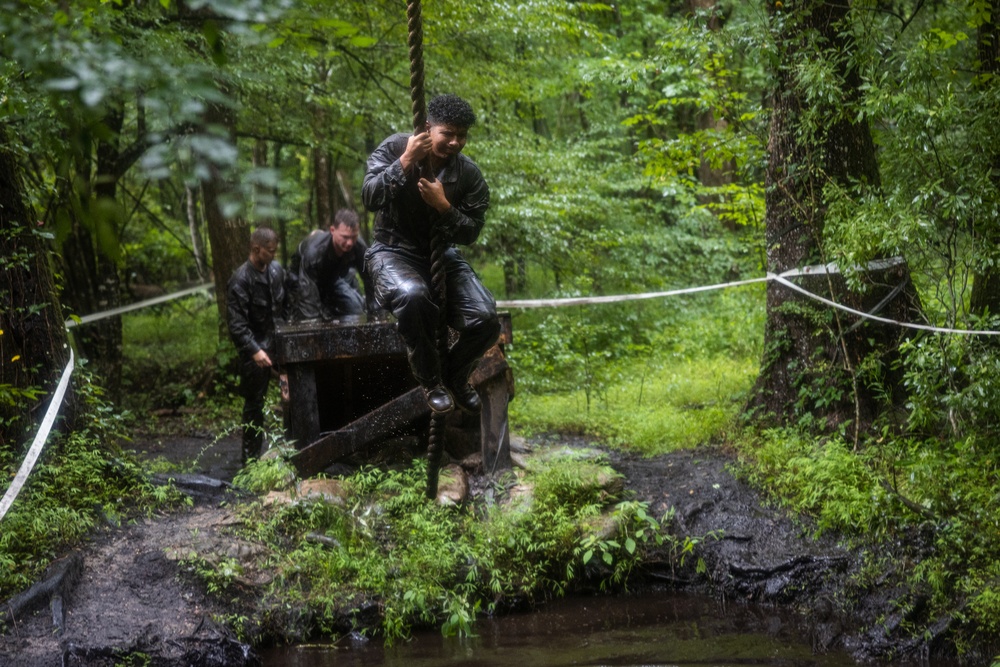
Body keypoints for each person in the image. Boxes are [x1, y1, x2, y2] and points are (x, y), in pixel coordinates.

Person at [362, 93, 500, 415]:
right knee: (413, 295)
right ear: (428, 127)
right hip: (391, 251)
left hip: (440, 254)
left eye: (461, 136)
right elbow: (369, 196)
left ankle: (455, 375)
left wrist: (444, 207)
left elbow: (471, 231)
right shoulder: (396, 147)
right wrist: (405, 162)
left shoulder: (468, 175)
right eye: (447, 134)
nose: (455, 142)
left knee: (486, 319)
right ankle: (431, 380)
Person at [226, 226, 288, 464]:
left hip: (278, 341)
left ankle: (294, 448)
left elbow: (284, 307)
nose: (273, 255)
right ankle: (249, 462)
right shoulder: (240, 279)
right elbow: (237, 325)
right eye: (270, 251)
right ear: (256, 249)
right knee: (254, 405)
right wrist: (254, 350)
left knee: (293, 393)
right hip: (254, 349)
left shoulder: (276, 271)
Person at [288, 208, 375, 321]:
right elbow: (308, 300)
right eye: (345, 237)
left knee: (355, 309)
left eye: (353, 237)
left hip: (331, 280)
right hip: (300, 281)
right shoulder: (314, 252)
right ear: (332, 230)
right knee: (310, 318)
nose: (349, 243)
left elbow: (370, 280)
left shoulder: (359, 247)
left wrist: (376, 315)